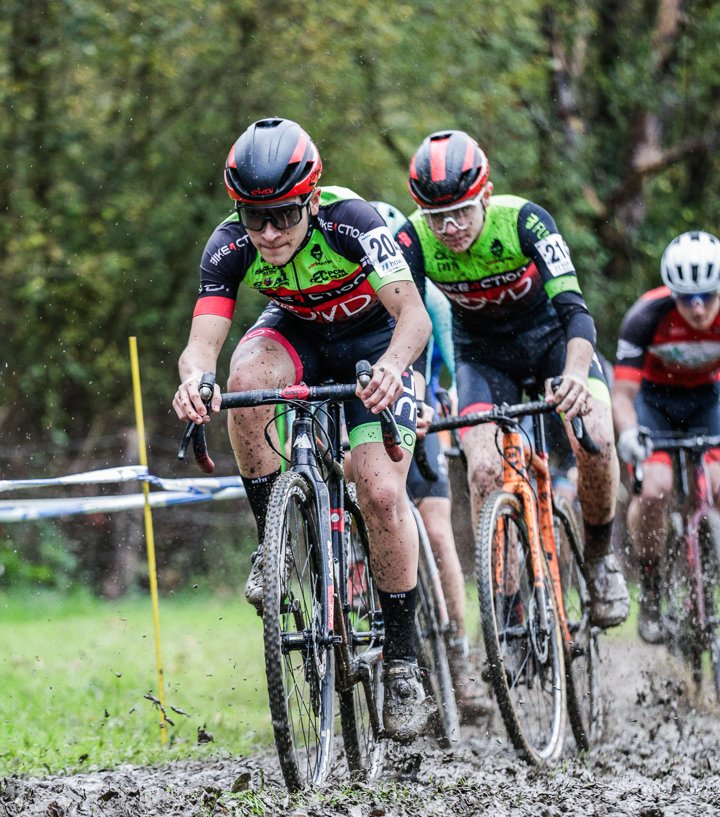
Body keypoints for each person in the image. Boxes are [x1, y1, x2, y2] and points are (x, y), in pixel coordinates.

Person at [172, 117, 432, 742]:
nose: (268, 233)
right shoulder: (228, 244)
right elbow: (202, 345)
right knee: (243, 380)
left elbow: (414, 316)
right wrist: (194, 382)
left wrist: (392, 368)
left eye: (284, 215)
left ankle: (402, 660)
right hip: (300, 335)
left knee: (380, 492)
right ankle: (275, 541)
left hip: (374, 343)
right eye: (253, 217)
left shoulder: (353, 222)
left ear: (311, 200)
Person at [397, 129, 629, 629]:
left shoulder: (525, 221)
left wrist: (573, 375)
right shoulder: (413, 239)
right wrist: (415, 395)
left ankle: (599, 557)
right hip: (483, 359)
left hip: (553, 344)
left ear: (485, 194)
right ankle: (505, 605)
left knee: (596, 437)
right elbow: (411, 325)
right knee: (483, 469)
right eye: (437, 216)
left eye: (461, 212)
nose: (450, 227)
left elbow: (577, 313)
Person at [371, 200, 489, 723]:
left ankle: (459, 660)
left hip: (422, 412)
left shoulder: (430, 299)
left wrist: (441, 405)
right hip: (370, 417)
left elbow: (454, 362)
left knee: (438, 533)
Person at [612, 230, 720, 643]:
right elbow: (623, 395)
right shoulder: (646, 316)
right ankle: (652, 585)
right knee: (655, 489)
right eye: (687, 298)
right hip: (654, 403)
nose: (697, 307)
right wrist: (629, 433)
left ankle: (706, 552)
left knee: (715, 486)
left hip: (708, 399)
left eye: (707, 296)